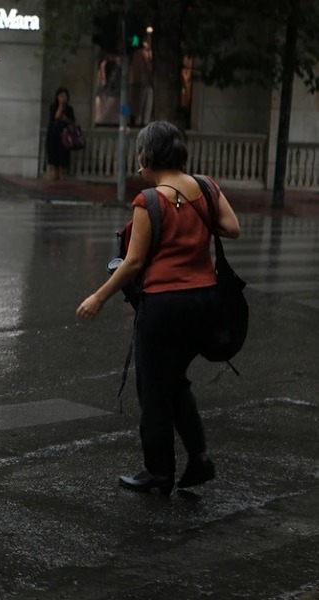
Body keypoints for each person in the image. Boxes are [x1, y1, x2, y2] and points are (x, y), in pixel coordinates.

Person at [75, 121, 241, 497]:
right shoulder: (207, 187)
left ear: (146, 158)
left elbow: (133, 263)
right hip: (204, 302)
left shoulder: (148, 202)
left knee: (152, 386)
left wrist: (97, 297)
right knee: (174, 380)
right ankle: (198, 457)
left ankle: (159, 473)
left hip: (164, 306)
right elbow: (232, 228)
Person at [45, 87, 76, 180]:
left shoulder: (69, 108)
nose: (63, 98)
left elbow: (72, 121)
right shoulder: (53, 106)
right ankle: (54, 172)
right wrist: (61, 105)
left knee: (63, 154)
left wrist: (66, 119)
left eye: (65, 96)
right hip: (54, 133)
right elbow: (56, 117)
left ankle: (62, 173)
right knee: (53, 153)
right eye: (61, 96)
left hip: (64, 134)